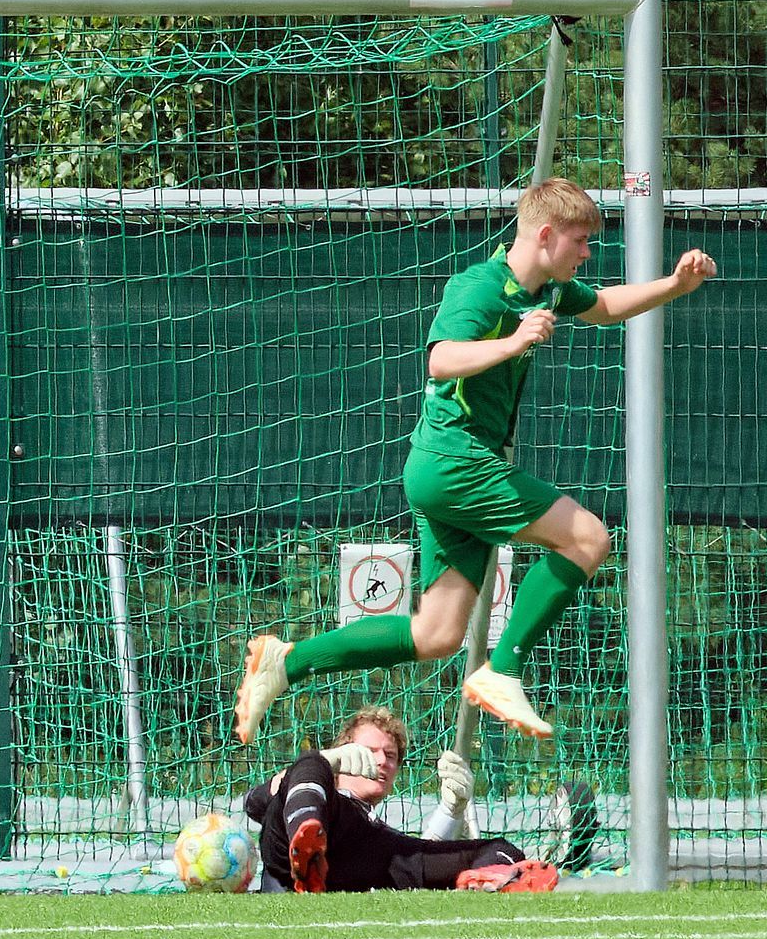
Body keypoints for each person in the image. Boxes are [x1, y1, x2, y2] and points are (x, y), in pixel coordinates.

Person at [234, 178, 717, 744]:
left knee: (437, 634)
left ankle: (286, 662)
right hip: (456, 462)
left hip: (447, 468)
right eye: (580, 240)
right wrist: (513, 342)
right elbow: (441, 360)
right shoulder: (481, 288)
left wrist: (676, 285)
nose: (588, 253)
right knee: (588, 539)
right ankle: (503, 669)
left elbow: (605, 307)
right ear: (545, 234)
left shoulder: (547, 289)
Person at [245, 706, 557, 892]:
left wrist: (452, 810)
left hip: (365, 853)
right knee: (310, 762)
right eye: (371, 751)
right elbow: (254, 803)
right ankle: (307, 845)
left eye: (391, 755)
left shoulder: (377, 835)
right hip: (303, 836)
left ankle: (492, 883)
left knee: (499, 848)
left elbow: (420, 854)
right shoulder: (318, 780)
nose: (382, 761)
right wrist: (325, 763)